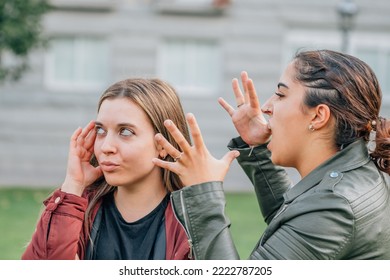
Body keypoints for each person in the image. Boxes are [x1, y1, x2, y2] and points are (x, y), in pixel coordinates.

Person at [152, 49, 390, 259]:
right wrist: (257, 147)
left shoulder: (336, 207)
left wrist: (204, 190)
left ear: (318, 116)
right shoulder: (352, 176)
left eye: (281, 94)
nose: (266, 107)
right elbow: (294, 224)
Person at [22, 78, 193, 260]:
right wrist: (73, 186)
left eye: (125, 132)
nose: (105, 146)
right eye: (101, 131)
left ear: (162, 145)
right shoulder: (77, 213)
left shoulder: (191, 223)